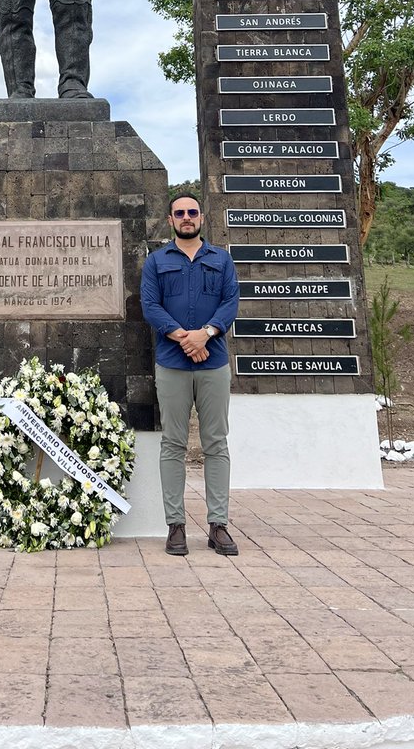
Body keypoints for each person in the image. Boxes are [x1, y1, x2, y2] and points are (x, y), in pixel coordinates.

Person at [140, 193, 240, 557]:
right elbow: (150, 305)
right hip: (172, 363)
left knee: (216, 443)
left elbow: (230, 302)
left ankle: (218, 525)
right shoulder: (156, 261)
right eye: (180, 213)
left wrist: (206, 334)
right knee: (173, 444)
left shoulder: (222, 260)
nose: (186, 217)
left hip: (213, 364)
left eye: (192, 212)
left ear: (201, 217)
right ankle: (176, 526)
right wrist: (184, 338)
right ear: (170, 220)